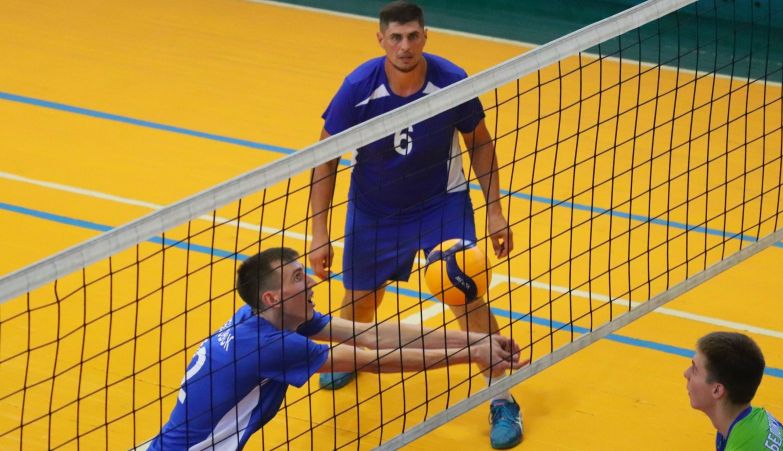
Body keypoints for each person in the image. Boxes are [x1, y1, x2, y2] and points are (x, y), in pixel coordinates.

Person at [309, 1, 521, 448]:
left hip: (439, 205)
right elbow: (324, 159)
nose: (404, 46)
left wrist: (494, 209)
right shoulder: (358, 88)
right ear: (381, 40)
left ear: (425, 37)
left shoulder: (451, 80)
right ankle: (350, 354)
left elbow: (480, 143)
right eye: (396, 37)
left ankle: (502, 397)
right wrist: (319, 233)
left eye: (412, 36)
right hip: (375, 211)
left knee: (466, 295)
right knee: (361, 302)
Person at [146, 247, 525, 450]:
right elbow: (374, 361)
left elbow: (371, 336)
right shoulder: (271, 346)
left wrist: (477, 340)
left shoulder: (262, 316)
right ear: (272, 297)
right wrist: (472, 355)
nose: (312, 281)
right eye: (299, 277)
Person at [684, 331, 783, 451]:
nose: (686, 373)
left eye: (694, 369)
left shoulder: (742, 443)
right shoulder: (753, 420)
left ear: (717, 390)